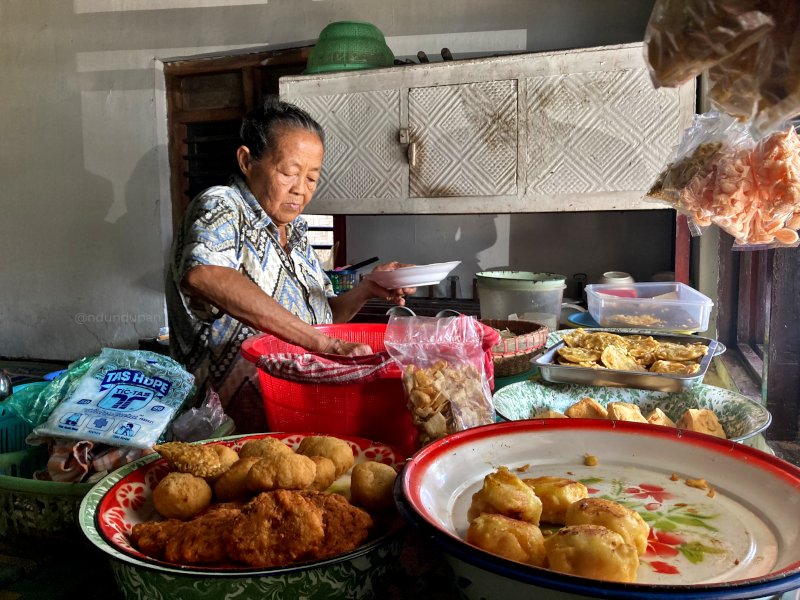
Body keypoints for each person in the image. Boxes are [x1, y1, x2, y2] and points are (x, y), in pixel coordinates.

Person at [166, 97, 415, 432]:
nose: (301, 190)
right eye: (288, 173)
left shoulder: (295, 231)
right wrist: (324, 345)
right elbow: (205, 274)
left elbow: (322, 319)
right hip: (228, 426)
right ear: (247, 161)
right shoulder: (223, 206)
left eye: (312, 178)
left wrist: (367, 288)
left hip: (293, 414)